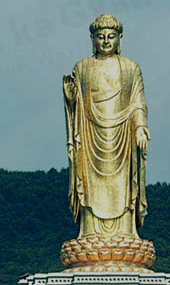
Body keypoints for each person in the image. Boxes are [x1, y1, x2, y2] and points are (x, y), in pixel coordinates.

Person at [63, 13, 150, 239]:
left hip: (123, 137)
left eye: (111, 36)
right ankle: (89, 232)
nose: (105, 41)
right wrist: (71, 98)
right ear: (92, 39)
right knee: (90, 185)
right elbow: (77, 103)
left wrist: (140, 126)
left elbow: (138, 102)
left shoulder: (131, 68)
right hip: (91, 136)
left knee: (124, 186)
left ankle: (127, 232)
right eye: (100, 37)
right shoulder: (82, 67)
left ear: (120, 38)